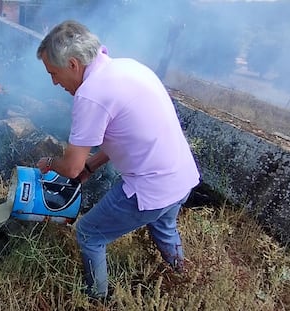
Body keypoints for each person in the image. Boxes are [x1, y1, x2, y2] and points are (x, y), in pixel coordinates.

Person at [35, 20, 200, 300]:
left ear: (73, 64)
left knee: (89, 234)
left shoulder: (91, 94)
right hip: (181, 178)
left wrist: (50, 162)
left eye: (54, 73)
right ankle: (183, 279)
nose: (54, 82)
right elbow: (128, 134)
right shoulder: (128, 67)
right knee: (164, 226)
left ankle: (96, 300)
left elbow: (71, 167)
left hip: (150, 188)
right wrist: (92, 164)